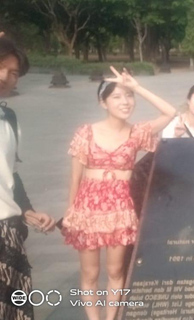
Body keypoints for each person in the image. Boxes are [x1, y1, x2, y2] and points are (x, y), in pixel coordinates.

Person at [61, 66, 176, 320]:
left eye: (128, 96)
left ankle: (112, 318)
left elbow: (170, 112)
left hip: (120, 208)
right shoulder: (86, 132)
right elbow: (75, 177)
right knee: (90, 273)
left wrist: (136, 87)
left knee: (115, 271)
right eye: (117, 97)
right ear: (103, 102)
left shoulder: (137, 133)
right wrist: (70, 212)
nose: (125, 102)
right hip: (88, 206)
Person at [0, 36, 56, 320]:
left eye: (13, 73)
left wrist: (29, 212)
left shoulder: (8, 118)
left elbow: (11, 175)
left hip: (6, 233)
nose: (5, 77)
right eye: (0, 67)